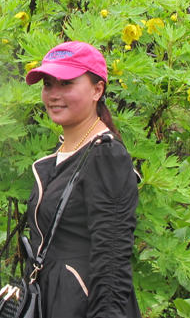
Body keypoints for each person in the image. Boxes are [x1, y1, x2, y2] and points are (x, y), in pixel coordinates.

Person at [24, 41, 141, 318]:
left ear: (97, 89)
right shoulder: (66, 151)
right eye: (48, 84)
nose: (53, 94)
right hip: (53, 301)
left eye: (66, 83)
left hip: (82, 307)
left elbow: (112, 262)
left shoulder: (106, 156)